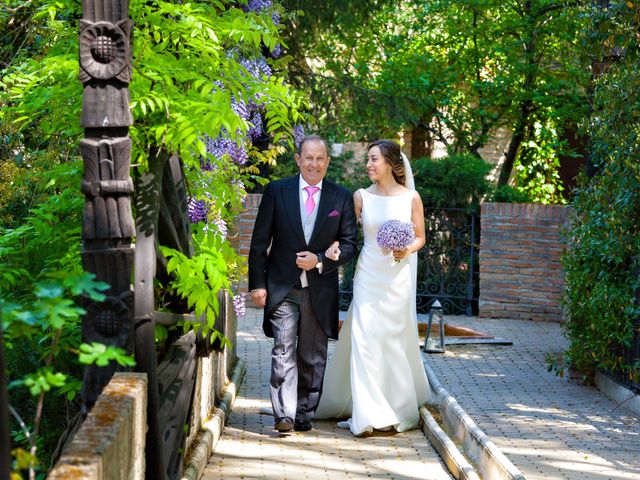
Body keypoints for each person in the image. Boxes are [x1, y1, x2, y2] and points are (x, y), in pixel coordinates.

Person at [314, 139, 432, 436]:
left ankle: (395, 408)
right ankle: (365, 415)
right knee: (364, 339)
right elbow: (347, 233)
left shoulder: (411, 198)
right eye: (368, 159)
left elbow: (420, 237)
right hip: (368, 274)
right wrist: (332, 246)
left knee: (390, 341)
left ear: (391, 163)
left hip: (397, 277)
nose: (368, 164)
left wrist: (407, 249)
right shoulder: (361, 196)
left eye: (374, 159)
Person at [248, 135, 358, 433]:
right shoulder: (277, 191)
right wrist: (258, 284)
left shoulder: (341, 197)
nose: (314, 164)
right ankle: (283, 413)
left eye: (320, 158)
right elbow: (260, 242)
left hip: (319, 288)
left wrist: (321, 259)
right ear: (298, 160)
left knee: (312, 353)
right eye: (308, 158)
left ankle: (304, 413)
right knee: (283, 347)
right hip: (282, 285)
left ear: (327, 161)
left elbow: (349, 244)